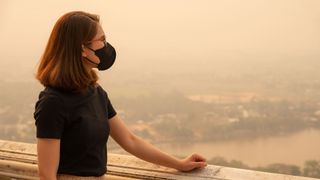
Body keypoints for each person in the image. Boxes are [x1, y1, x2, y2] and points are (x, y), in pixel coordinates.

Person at [34, 11, 207, 180]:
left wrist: (179, 164)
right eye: (102, 40)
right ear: (82, 49)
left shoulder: (95, 92)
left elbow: (130, 141)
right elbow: (46, 175)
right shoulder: (53, 102)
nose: (106, 46)